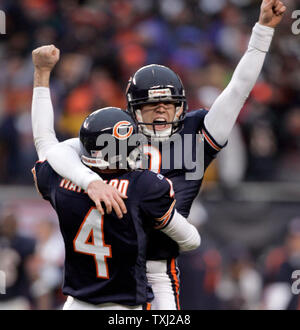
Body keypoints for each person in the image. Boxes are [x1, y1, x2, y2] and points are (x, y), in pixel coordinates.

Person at [31, 0, 286, 309]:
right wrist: (89, 181)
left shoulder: (196, 132)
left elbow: (238, 89)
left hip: (156, 266)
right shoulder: (118, 133)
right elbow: (59, 150)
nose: (162, 109)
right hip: (115, 267)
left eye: (168, 103)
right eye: (152, 105)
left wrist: (262, 31)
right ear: (134, 111)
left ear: (181, 105)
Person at [32, 106, 200, 310]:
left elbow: (45, 143)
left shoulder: (60, 179)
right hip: (124, 307)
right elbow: (191, 240)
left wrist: (40, 80)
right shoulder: (144, 186)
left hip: (75, 304)